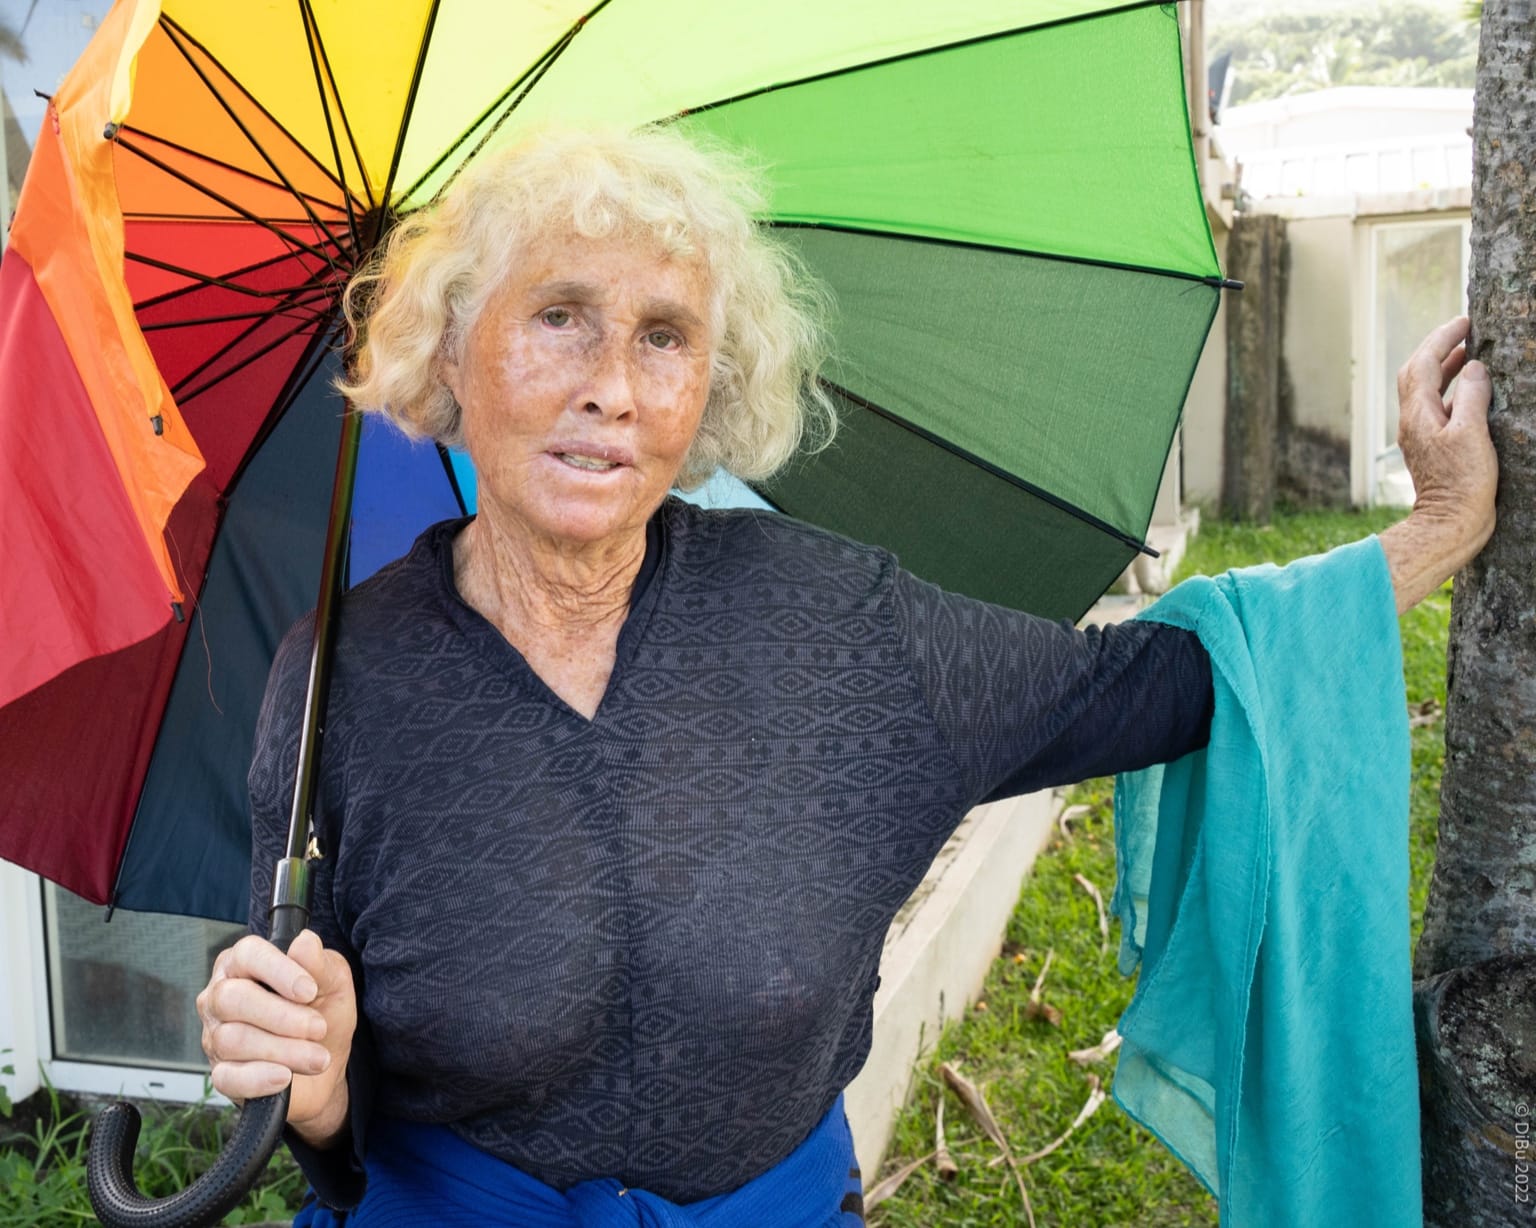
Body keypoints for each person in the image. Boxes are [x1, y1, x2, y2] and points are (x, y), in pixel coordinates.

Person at [196, 126, 1497, 1226]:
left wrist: (1436, 528)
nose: (612, 388)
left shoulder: (836, 627)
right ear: (449, 352)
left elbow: (1159, 683)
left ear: (710, 386)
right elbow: (330, 1128)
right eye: (557, 317)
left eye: (664, 337)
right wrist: (314, 1089)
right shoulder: (336, 684)